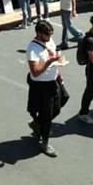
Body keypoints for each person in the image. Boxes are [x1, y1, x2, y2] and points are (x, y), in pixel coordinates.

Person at [26, 21, 64, 157]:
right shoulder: (32, 49)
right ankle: (45, 142)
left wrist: (59, 73)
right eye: (47, 35)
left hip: (53, 80)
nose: (49, 37)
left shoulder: (49, 40)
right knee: (47, 115)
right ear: (39, 34)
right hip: (41, 85)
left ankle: (38, 123)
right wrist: (49, 61)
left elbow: (53, 52)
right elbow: (35, 72)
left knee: (60, 103)